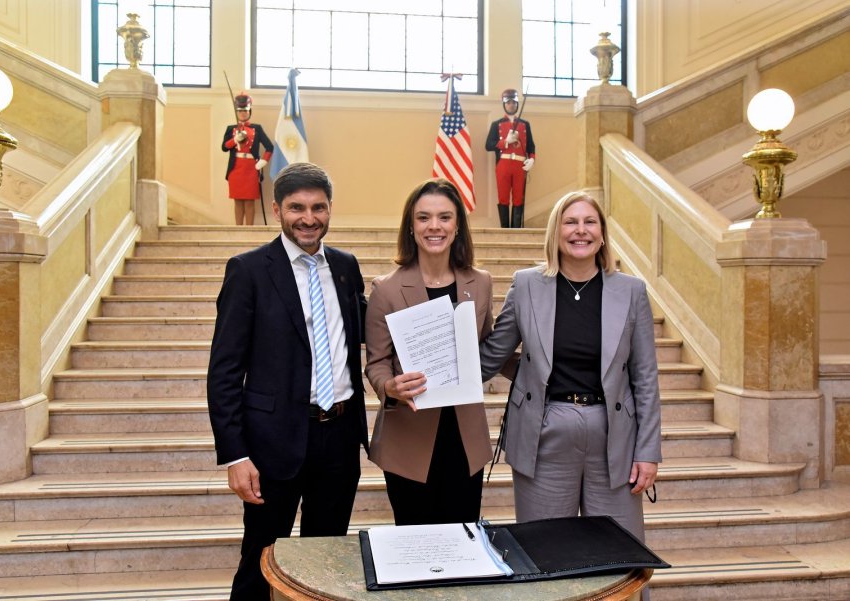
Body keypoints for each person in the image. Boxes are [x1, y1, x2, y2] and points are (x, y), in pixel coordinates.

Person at [206, 162, 368, 600]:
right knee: (260, 562)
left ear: (330, 208)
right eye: (297, 207)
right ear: (277, 210)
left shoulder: (345, 266)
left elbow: (367, 330)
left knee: (326, 562)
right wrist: (235, 455)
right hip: (272, 443)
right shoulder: (249, 271)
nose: (308, 218)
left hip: (339, 437)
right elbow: (224, 371)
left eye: (318, 207)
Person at [480, 190, 661, 547]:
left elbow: (645, 377)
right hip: (544, 431)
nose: (581, 230)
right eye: (571, 222)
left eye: (590, 222)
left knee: (619, 552)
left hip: (614, 436)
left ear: (602, 233)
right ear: (556, 232)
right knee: (546, 549)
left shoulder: (632, 291)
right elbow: (493, 355)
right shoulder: (527, 285)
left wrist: (648, 451)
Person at [365, 178, 493, 526]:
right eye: (423, 217)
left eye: (444, 217)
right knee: (416, 543)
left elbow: (486, 344)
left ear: (457, 226)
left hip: (465, 439)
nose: (434, 226)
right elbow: (376, 362)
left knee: (463, 540)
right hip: (410, 440)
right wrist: (389, 386)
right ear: (411, 226)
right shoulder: (386, 289)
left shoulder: (481, 282)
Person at [485, 88, 535, 228]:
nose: (511, 105)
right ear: (504, 104)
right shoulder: (496, 124)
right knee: (503, 198)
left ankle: (516, 231)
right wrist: (505, 142)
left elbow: (531, 146)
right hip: (503, 164)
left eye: (513, 102)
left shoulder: (525, 124)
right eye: (508, 103)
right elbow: (488, 145)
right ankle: (505, 231)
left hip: (520, 165)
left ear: (517, 104)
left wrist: (532, 159)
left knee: (519, 198)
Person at [221, 92, 273, 226]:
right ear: (236, 112)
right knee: (238, 201)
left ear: (250, 111)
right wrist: (234, 140)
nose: (243, 113)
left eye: (245, 110)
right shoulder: (231, 129)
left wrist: (263, 161)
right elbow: (224, 147)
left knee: (250, 202)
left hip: (251, 169)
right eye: (240, 111)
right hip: (235, 169)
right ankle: (237, 230)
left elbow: (270, 147)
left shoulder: (257, 128)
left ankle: (250, 230)